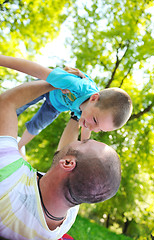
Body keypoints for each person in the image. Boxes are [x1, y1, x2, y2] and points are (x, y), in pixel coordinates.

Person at [0, 67, 121, 239]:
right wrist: (76, 112)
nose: (81, 138)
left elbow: (6, 103)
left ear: (68, 163)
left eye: (84, 142)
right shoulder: (66, 216)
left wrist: (56, 83)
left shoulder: (8, 179)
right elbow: (64, 154)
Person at [0, 55, 132, 151]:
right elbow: (37, 69)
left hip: (56, 106)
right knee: (15, 105)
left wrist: (84, 146)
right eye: (95, 121)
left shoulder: (90, 113)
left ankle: (18, 147)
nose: (92, 128)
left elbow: (86, 134)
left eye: (100, 129)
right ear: (93, 99)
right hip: (49, 87)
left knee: (37, 125)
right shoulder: (75, 85)